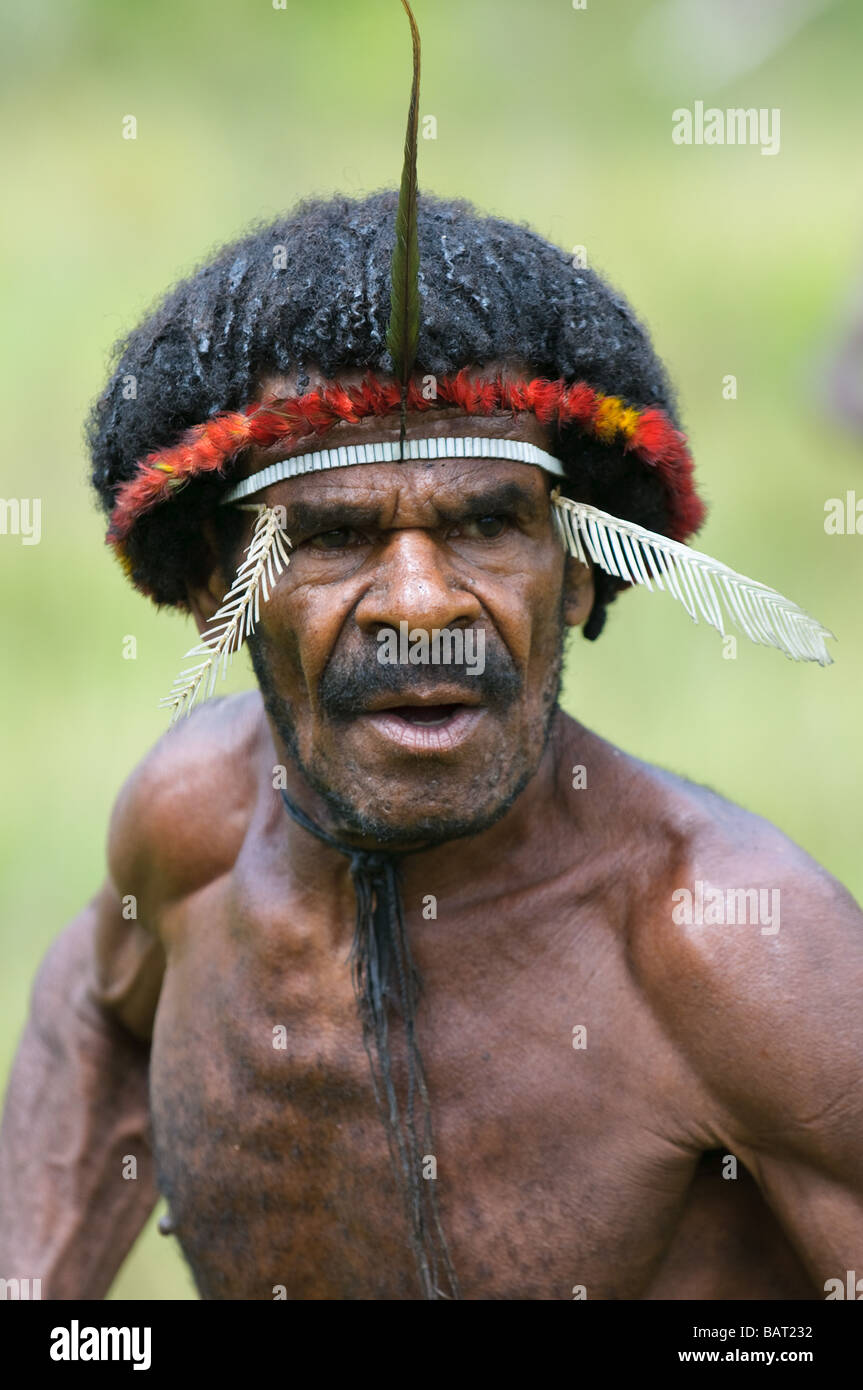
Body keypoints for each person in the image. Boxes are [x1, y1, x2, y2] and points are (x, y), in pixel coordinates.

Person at [0, 189, 859, 1301]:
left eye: (487, 525)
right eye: (336, 535)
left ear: (582, 567)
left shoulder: (737, 956)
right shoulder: (188, 833)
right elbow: (97, 1012)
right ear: (221, 589)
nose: (419, 602)